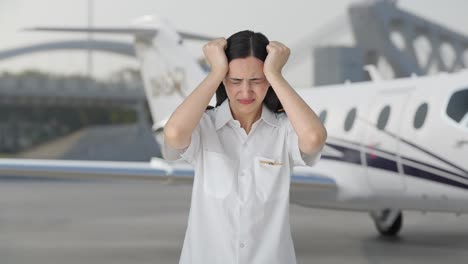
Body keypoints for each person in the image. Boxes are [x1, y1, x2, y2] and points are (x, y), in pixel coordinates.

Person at [163, 30, 327, 264]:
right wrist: (216, 72)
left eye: (257, 80)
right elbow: (174, 134)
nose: (246, 92)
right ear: (224, 81)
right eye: (235, 81)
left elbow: (314, 138)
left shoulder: (284, 130)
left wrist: (275, 73)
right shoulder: (204, 126)